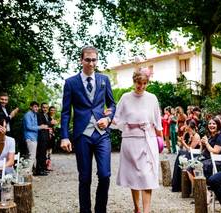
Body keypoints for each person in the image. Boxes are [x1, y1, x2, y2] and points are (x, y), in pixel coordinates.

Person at [60, 46, 116, 213]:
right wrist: (64, 136)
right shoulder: (71, 83)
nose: (91, 63)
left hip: (102, 135)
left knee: (105, 175)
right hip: (82, 135)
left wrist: (108, 118)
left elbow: (112, 104)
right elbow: (65, 112)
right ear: (81, 60)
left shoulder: (104, 80)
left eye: (94, 60)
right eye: (88, 60)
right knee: (84, 178)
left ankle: (100, 210)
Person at [114, 67, 163, 213]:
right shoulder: (125, 97)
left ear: (147, 83)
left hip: (148, 140)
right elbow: (116, 118)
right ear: (134, 81)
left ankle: (146, 211)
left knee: (147, 176)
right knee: (134, 175)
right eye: (138, 83)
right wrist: (106, 118)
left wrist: (161, 140)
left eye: (144, 83)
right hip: (130, 141)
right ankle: (137, 208)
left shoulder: (152, 98)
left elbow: (158, 121)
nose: (141, 86)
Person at [23, 101, 48, 175]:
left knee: (30, 156)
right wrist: (40, 127)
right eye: (35, 107)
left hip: (34, 138)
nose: (37, 108)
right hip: (30, 138)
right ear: (31, 107)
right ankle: (28, 174)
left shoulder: (34, 114)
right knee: (31, 157)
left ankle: (28, 174)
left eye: (37, 107)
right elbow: (28, 127)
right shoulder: (28, 115)